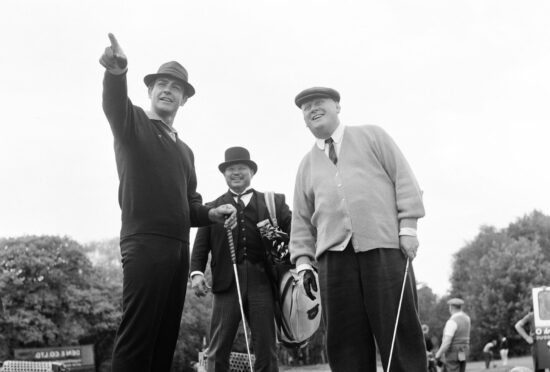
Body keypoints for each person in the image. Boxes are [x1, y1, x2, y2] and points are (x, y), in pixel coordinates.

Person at [99, 33, 236, 372]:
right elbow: (113, 105)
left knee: (165, 339)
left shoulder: (185, 150)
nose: (167, 90)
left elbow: (190, 207)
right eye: (161, 84)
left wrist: (211, 214)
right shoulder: (133, 123)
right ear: (149, 90)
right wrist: (116, 73)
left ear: (183, 100)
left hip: (178, 249)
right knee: (138, 336)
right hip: (144, 243)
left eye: (175, 88)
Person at [289, 87, 427, 372]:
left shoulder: (372, 136)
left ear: (337, 107)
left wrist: (409, 228)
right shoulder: (305, 165)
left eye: (319, 103)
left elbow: (404, 179)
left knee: (399, 330)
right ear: (303, 119)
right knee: (344, 339)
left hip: (384, 247)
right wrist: (303, 262)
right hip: (334, 260)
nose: (312, 109)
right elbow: (301, 220)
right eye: (306, 108)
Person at [190, 146, 292, 372]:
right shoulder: (211, 207)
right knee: (218, 347)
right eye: (231, 169)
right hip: (226, 283)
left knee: (266, 346)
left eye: (241, 168)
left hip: (263, 281)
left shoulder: (273, 202)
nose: (236, 173)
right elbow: (200, 247)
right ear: (224, 174)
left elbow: (297, 233)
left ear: (251, 172)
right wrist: (196, 273)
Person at [434, 298, 471, 372]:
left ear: (451, 307)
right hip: (464, 351)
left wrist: (438, 354)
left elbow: (447, 342)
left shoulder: (452, 321)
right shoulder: (467, 319)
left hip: (453, 353)